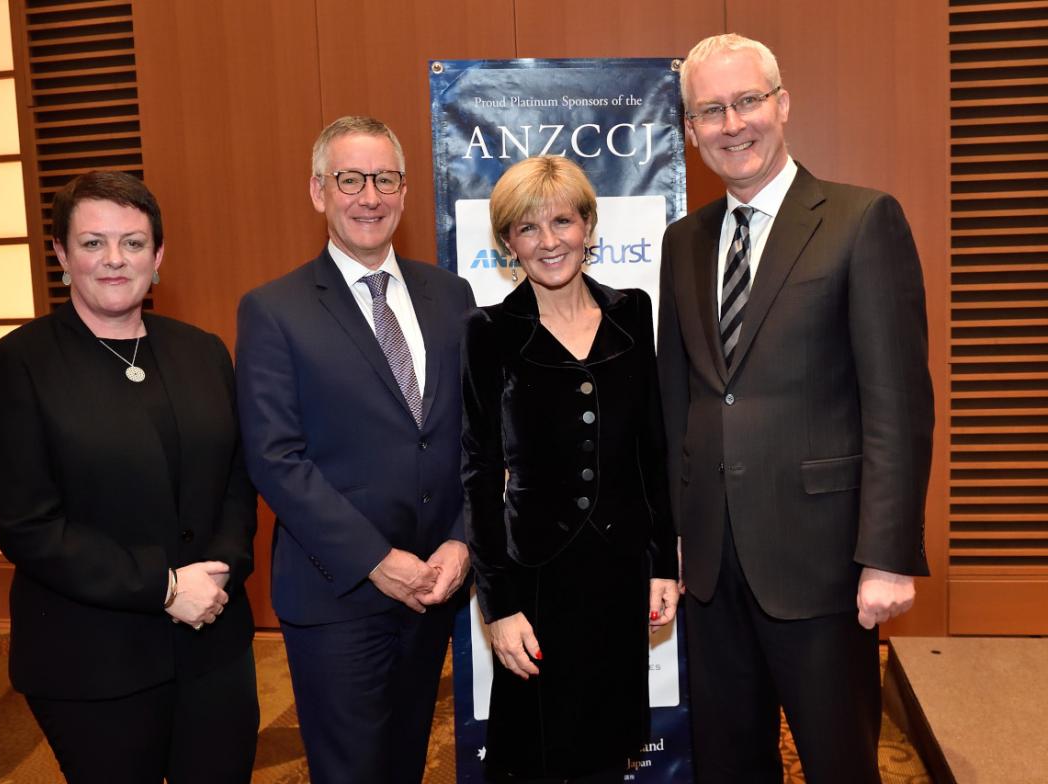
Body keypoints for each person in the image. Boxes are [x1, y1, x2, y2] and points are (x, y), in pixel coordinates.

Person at [657, 34, 934, 784]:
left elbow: (898, 405)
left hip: (825, 565)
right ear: (689, 130)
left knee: (840, 763)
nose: (731, 124)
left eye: (747, 101)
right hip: (713, 568)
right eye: (709, 110)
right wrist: (672, 540)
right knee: (729, 766)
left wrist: (886, 554)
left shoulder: (861, 220)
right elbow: (677, 400)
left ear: (782, 105)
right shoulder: (683, 242)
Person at [0, 171, 259, 783]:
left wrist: (222, 566)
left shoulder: (201, 350)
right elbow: (27, 524)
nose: (114, 259)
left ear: (158, 256)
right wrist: (164, 587)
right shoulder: (14, 366)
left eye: (132, 242)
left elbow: (236, 474)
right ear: (61, 255)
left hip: (213, 636)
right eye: (93, 243)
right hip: (92, 656)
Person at [235, 116, 476, 784]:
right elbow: (275, 458)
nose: (369, 196)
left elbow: (472, 436)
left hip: (434, 586)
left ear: (404, 191)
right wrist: (377, 561)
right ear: (319, 191)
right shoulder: (274, 309)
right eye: (350, 179)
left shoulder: (451, 297)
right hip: (338, 593)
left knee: (404, 762)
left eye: (385, 179)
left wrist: (463, 540)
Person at [462, 155, 680, 783]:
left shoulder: (632, 313)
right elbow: (477, 476)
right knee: (535, 757)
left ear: (588, 224)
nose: (548, 241)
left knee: (607, 755)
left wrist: (662, 562)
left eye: (562, 221)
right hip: (534, 582)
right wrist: (497, 607)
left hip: (618, 574)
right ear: (508, 242)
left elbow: (652, 449)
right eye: (528, 229)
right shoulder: (489, 332)